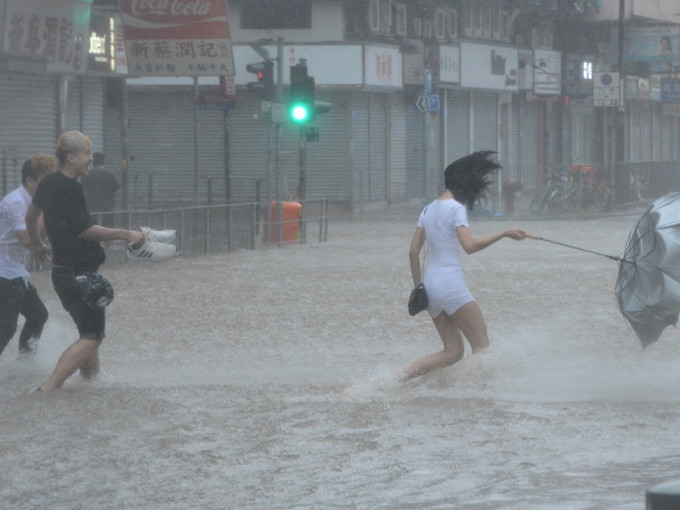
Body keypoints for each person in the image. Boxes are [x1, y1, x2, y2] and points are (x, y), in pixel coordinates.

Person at [26, 131, 146, 392]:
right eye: (87, 154)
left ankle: (90, 386)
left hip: (63, 273)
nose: (91, 159)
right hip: (79, 275)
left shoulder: (49, 183)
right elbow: (84, 230)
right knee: (92, 337)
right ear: (71, 158)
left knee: (89, 334)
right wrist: (126, 234)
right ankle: (46, 390)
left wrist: (37, 245)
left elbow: (31, 216)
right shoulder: (70, 188)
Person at [399, 151, 527, 382]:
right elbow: (469, 246)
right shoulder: (456, 208)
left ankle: (396, 379)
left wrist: (418, 287)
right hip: (450, 285)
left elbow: (412, 251)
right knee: (483, 348)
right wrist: (505, 233)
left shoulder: (427, 209)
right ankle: (480, 394)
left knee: (453, 352)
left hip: (429, 288)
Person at [0, 154, 56, 358]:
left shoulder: (31, 200)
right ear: (29, 180)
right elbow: (25, 238)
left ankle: (25, 363)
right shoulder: (16, 201)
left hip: (16, 272)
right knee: (6, 327)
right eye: (44, 182)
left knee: (38, 315)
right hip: (5, 273)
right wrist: (43, 210)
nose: (48, 187)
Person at [81, 152, 119, 227]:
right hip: (108, 208)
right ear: (104, 161)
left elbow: (84, 193)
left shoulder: (87, 175)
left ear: (93, 162)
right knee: (108, 231)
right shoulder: (111, 174)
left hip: (92, 208)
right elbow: (115, 193)